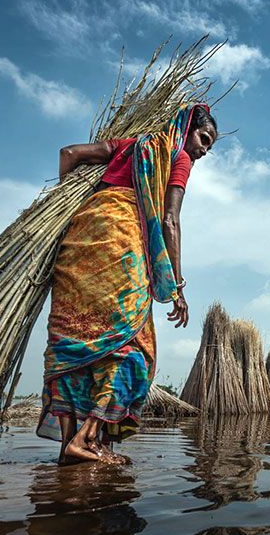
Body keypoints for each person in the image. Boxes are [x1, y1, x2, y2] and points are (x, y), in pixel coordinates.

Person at [36, 103, 218, 464]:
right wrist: (177, 287)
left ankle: (69, 448)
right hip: (120, 246)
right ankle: (86, 439)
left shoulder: (131, 145)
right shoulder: (176, 156)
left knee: (73, 343)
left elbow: (68, 154)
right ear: (186, 129)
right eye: (204, 138)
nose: (203, 150)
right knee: (136, 350)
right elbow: (169, 221)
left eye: (209, 146)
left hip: (80, 241)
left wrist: (64, 203)